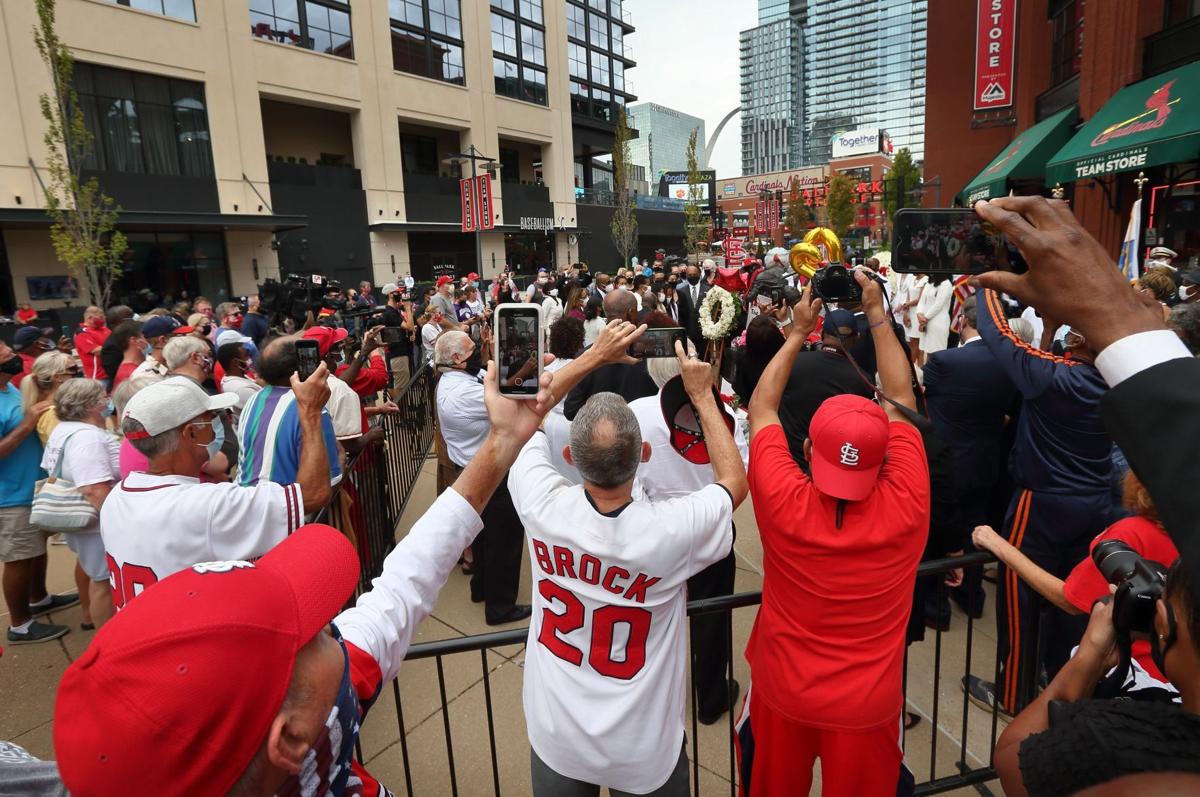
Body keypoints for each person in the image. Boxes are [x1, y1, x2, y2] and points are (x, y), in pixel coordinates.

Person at [54, 345, 560, 796]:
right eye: (312, 631)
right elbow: (319, 503)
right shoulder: (203, 511)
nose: (333, 628)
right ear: (292, 737)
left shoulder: (123, 500)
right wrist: (311, 411)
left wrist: (499, 445)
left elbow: (406, 578)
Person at [512, 326, 747, 796]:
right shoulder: (670, 530)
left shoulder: (539, 503)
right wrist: (702, 396)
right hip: (643, 747)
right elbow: (733, 482)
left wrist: (593, 357)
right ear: (641, 456)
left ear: (569, 458)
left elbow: (525, 409)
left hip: (557, 733)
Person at [738, 275, 928, 797]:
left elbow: (762, 409)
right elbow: (899, 397)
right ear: (886, 458)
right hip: (867, 706)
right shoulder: (908, 503)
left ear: (806, 453)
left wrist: (797, 332)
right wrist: (876, 313)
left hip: (783, 691)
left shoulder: (784, 501)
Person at [964, 286, 1114, 716]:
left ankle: (1012, 695)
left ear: (1081, 339)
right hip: (1093, 501)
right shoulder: (1116, 380)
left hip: (1041, 502)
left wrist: (986, 280)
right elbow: (1044, 371)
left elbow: (997, 333)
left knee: (1020, 599)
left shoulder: (1054, 376)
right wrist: (1049, 329)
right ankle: (1063, 684)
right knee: (1075, 604)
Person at [101, 367, 333, 616]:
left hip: (146, 639)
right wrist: (309, 411)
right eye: (210, 420)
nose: (216, 428)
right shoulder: (207, 505)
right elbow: (313, 494)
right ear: (191, 433)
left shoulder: (116, 498)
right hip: (192, 648)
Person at [973, 470, 1177, 684]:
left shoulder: (1131, 533)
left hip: (1126, 676)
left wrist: (999, 545)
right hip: (1172, 678)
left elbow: (1069, 599)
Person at [921, 294, 1018, 621]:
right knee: (976, 532)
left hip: (946, 465)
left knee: (939, 534)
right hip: (986, 462)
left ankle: (937, 608)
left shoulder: (943, 362)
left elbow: (927, 404)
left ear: (962, 322)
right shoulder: (1011, 364)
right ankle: (972, 598)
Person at [434, 330, 532, 626]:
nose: (478, 352)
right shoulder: (462, 393)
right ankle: (500, 607)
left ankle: (481, 588)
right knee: (505, 538)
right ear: (455, 359)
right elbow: (509, 398)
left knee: (484, 535)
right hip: (489, 472)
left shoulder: (454, 379)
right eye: (473, 349)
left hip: (473, 468)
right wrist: (526, 369)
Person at [0, 341, 75, 644]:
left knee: (36, 547)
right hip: (10, 494)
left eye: (8, 349)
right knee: (19, 557)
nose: (11, 355)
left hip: (34, 486)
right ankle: (19, 625)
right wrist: (28, 423)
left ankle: (39, 598)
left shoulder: (11, 390)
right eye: (3, 353)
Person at [41, 378, 119, 632]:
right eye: (103, 397)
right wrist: (121, 522)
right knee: (103, 583)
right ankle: (107, 644)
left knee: (98, 577)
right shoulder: (88, 438)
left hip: (86, 522)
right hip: (97, 525)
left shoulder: (65, 429)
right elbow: (93, 488)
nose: (108, 401)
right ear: (89, 405)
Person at [237, 336, 343, 489]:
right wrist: (341, 458)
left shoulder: (254, 399)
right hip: (292, 508)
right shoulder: (311, 407)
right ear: (303, 367)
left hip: (249, 502)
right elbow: (329, 482)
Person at [775, 308, 875, 465]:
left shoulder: (792, 362)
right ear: (856, 339)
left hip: (785, 459)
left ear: (822, 334)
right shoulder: (862, 380)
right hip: (830, 466)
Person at [563, 290, 657, 420]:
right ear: (632, 313)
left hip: (602, 436)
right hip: (645, 432)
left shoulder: (586, 356)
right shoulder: (654, 352)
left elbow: (571, 410)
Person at [301, 326, 381, 456]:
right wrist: (372, 435)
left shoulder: (297, 384)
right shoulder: (340, 390)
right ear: (327, 356)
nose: (342, 349)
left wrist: (379, 410)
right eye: (338, 347)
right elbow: (349, 445)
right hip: (345, 468)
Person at [21, 351, 78, 446]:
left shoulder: (62, 406)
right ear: (57, 377)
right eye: (73, 369)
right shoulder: (52, 413)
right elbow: (66, 448)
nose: (78, 371)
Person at [732, 315, 785, 407]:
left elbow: (739, 386)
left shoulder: (742, 354)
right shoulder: (784, 361)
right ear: (777, 336)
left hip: (752, 405)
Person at [218, 339, 261, 421]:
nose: (250, 358)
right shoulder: (241, 389)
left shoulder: (233, 378)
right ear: (235, 362)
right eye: (246, 355)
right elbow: (267, 410)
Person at [916, 273, 954, 363]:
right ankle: (927, 374)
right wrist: (919, 313)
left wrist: (924, 318)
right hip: (925, 321)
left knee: (936, 353)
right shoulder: (929, 283)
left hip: (938, 322)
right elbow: (921, 301)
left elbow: (938, 305)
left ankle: (934, 375)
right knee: (927, 351)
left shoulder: (946, 284)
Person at [677, 263, 711, 355]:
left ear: (699, 274)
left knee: (704, 359)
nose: (692, 276)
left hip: (704, 333)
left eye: (694, 274)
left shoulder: (708, 290)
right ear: (686, 276)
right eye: (690, 275)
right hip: (688, 333)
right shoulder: (680, 291)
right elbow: (680, 313)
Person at [97, 305, 134, 390]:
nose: (132, 321)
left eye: (132, 316)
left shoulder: (131, 337)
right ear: (115, 323)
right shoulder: (111, 346)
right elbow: (116, 374)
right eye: (128, 318)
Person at [74, 305, 111, 380]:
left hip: (112, 372)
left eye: (103, 317)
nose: (103, 320)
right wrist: (117, 346)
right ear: (90, 318)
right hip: (98, 376)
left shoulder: (105, 329)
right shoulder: (82, 333)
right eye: (100, 318)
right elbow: (96, 351)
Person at [109, 320, 146, 392]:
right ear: (134, 340)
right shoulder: (130, 374)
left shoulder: (137, 367)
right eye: (147, 336)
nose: (151, 339)